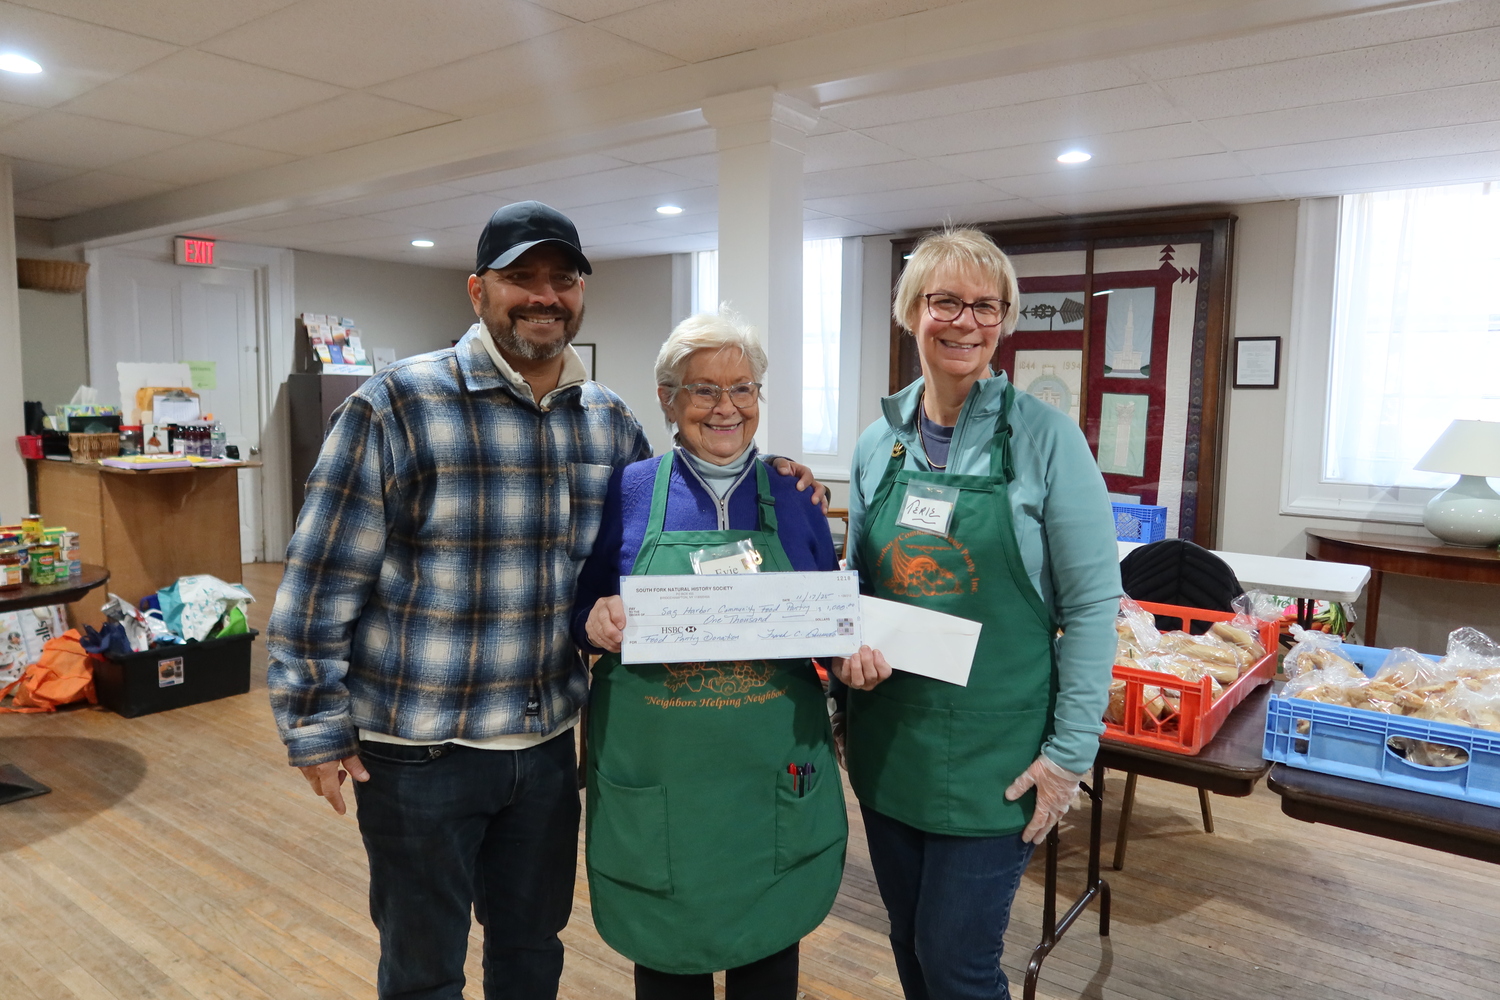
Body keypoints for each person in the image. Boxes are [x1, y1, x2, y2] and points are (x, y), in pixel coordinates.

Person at [266, 201, 826, 1000]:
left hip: (546, 749)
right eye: (520, 278)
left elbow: (665, 526)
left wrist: (784, 481)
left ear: (580, 294)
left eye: (562, 280)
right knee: (423, 970)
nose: (544, 296)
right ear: (478, 291)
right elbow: (319, 576)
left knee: (531, 956)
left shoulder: (608, 423)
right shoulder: (398, 405)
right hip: (421, 749)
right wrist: (314, 726)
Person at [841, 228, 1121, 1000]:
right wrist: (846, 651)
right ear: (911, 312)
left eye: (985, 306)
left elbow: (1093, 606)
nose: (965, 322)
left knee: (957, 962)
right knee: (909, 942)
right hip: (892, 744)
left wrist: (1070, 754)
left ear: (1003, 320)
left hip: (999, 755)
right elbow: (857, 588)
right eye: (945, 302)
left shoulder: (1046, 440)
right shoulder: (877, 445)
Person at [574, 313, 884, 1000]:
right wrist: (593, 620)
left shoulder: (794, 498)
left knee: (768, 960)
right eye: (704, 389)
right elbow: (581, 608)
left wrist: (849, 661)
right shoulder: (630, 491)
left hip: (767, 784)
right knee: (667, 958)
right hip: (665, 792)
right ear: (668, 398)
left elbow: (828, 622)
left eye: (743, 388)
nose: (726, 407)